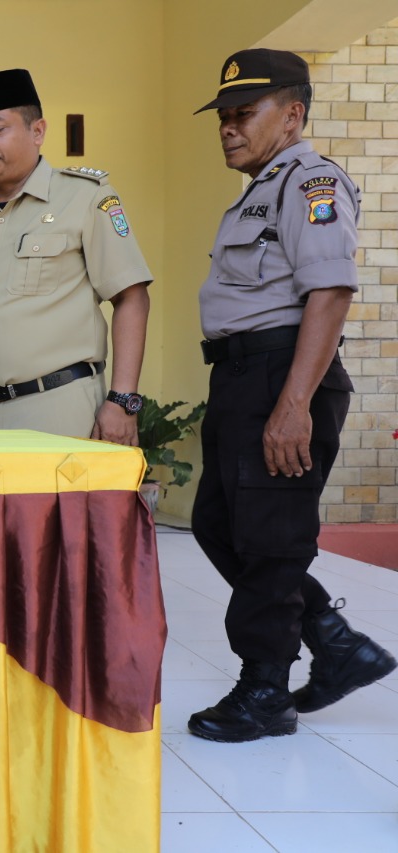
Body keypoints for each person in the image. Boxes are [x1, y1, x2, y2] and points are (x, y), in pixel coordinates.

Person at [187, 49, 395, 743]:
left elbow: (330, 292)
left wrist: (294, 402)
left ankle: (264, 692)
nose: (228, 127)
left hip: (283, 375)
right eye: (224, 115)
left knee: (271, 541)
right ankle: (334, 642)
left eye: (244, 113)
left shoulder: (312, 181)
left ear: (293, 113)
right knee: (221, 526)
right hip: (246, 376)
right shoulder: (262, 188)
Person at [0, 69, 152, 443]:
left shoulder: (86, 199)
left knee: (57, 506)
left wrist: (121, 400)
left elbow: (131, 297)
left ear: (37, 131)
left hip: (58, 408)